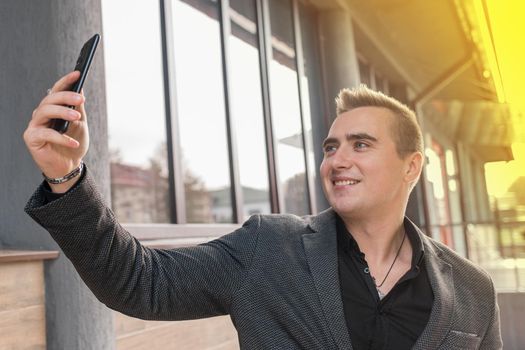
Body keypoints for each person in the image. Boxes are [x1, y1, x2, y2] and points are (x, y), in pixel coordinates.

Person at [24, 71, 502, 349]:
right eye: (331, 147)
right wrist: (67, 177)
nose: (338, 160)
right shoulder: (268, 247)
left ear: (411, 166)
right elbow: (140, 281)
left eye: (361, 144)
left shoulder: (473, 290)